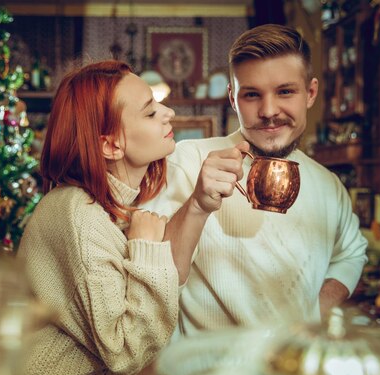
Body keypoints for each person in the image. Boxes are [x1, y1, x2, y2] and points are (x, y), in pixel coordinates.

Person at [16, 60, 245, 375]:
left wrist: (190, 213)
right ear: (110, 146)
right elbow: (125, 350)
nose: (168, 113)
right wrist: (147, 250)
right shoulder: (82, 217)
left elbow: (162, 281)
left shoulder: (102, 206)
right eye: (151, 112)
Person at [144, 24, 368, 334]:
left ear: (311, 93)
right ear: (233, 99)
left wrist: (314, 313)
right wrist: (197, 204)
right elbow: (152, 280)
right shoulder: (188, 161)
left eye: (285, 91)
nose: (268, 110)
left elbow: (352, 253)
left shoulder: (329, 185)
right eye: (251, 94)